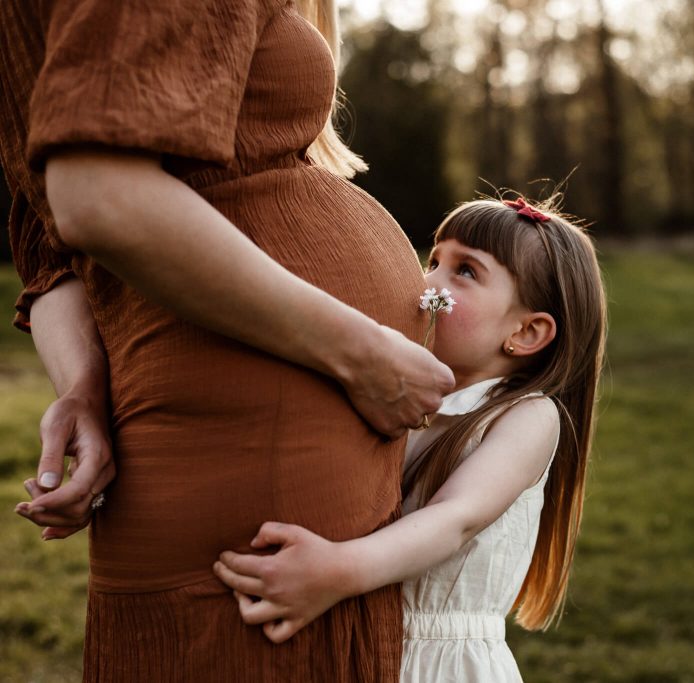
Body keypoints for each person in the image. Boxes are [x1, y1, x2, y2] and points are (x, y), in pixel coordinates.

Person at [1, 0, 454, 680]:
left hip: (247, 445)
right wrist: (361, 352)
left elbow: (51, 244)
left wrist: (83, 384)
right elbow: (94, 195)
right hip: (253, 456)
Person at [214, 196, 607, 681]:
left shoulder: (526, 416)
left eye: (465, 272)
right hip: (363, 643)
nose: (428, 283)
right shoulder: (401, 397)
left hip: (437, 659)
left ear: (526, 332)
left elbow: (456, 518)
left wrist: (338, 570)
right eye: (433, 260)